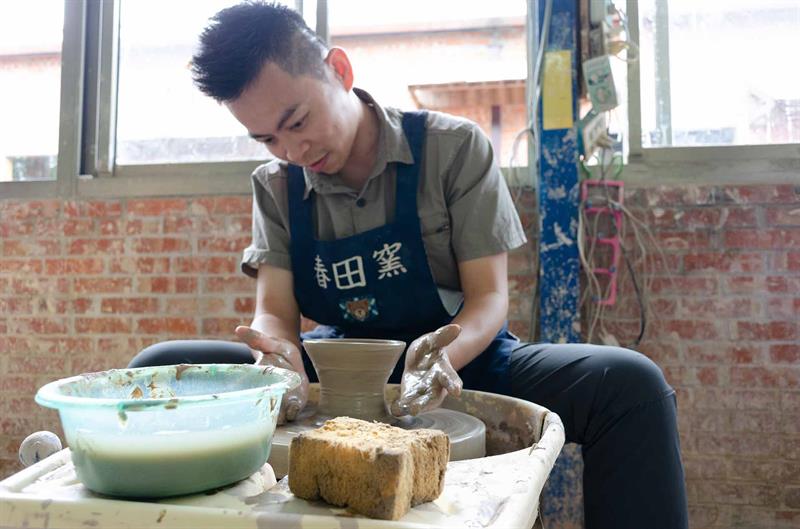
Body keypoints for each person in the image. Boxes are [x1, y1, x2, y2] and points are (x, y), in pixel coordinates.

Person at [129, 2, 689, 528]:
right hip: (336, 367)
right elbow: (275, 314)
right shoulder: (275, 184)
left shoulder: (452, 149)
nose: (292, 150)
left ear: (339, 70)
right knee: (165, 364)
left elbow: (489, 297)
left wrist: (443, 357)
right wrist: (278, 363)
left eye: (297, 121)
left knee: (630, 384)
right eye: (267, 138)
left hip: (458, 360)